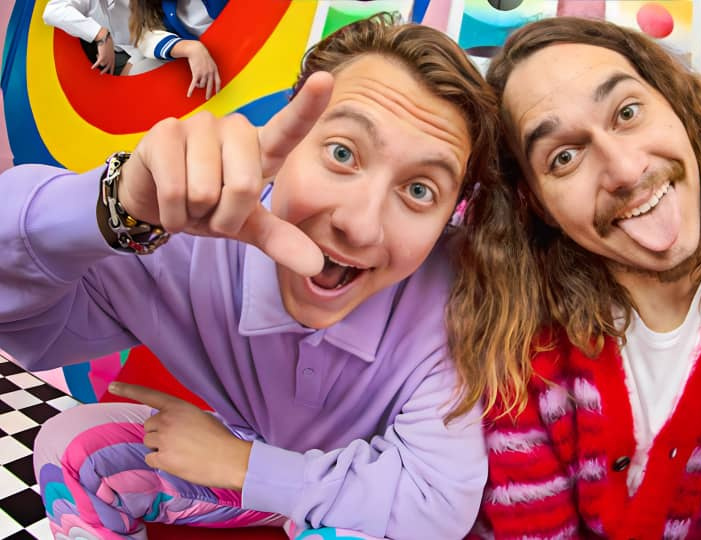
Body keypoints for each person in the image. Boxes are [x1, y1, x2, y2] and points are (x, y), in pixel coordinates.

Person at [0, 13, 498, 540]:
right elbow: (22, 322)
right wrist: (114, 206)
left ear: (450, 217)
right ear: (291, 134)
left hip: (351, 494)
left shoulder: (451, 296)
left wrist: (245, 464)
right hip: (241, 469)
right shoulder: (185, 233)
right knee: (75, 448)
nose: (360, 225)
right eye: (342, 153)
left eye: (420, 190)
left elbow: (436, 505)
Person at [447, 16, 701, 539]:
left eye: (627, 112)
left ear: (674, 104)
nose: (627, 170)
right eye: (564, 157)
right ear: (536, 203)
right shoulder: (515, 326)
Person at [129, 0, 226, 98]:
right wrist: (188, 47)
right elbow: (145, 36)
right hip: (196, 56)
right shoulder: (155, 6)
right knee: (139, 70)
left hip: (228, 43)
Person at [43, 0, 139, 75]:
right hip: (107, 52)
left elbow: (148, 33)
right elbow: (53, 11)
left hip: (140, 50)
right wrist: (100, 34)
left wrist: (133, 63)